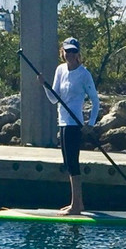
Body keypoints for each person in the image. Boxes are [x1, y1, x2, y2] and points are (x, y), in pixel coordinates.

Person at [40, 37, 99, 214]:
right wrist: (45, 86)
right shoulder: (60, 70)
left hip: (75, 124)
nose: (70, 55)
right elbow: (53, 99)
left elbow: (95, 101)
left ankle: (76, 206)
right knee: (67, 164)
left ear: (78, 53)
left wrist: (91, 123)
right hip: (63, 122)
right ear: (62, 52)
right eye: (67, 51)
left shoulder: (84, 74)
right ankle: (77, 204)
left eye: (73, 51)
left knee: (73, 164)